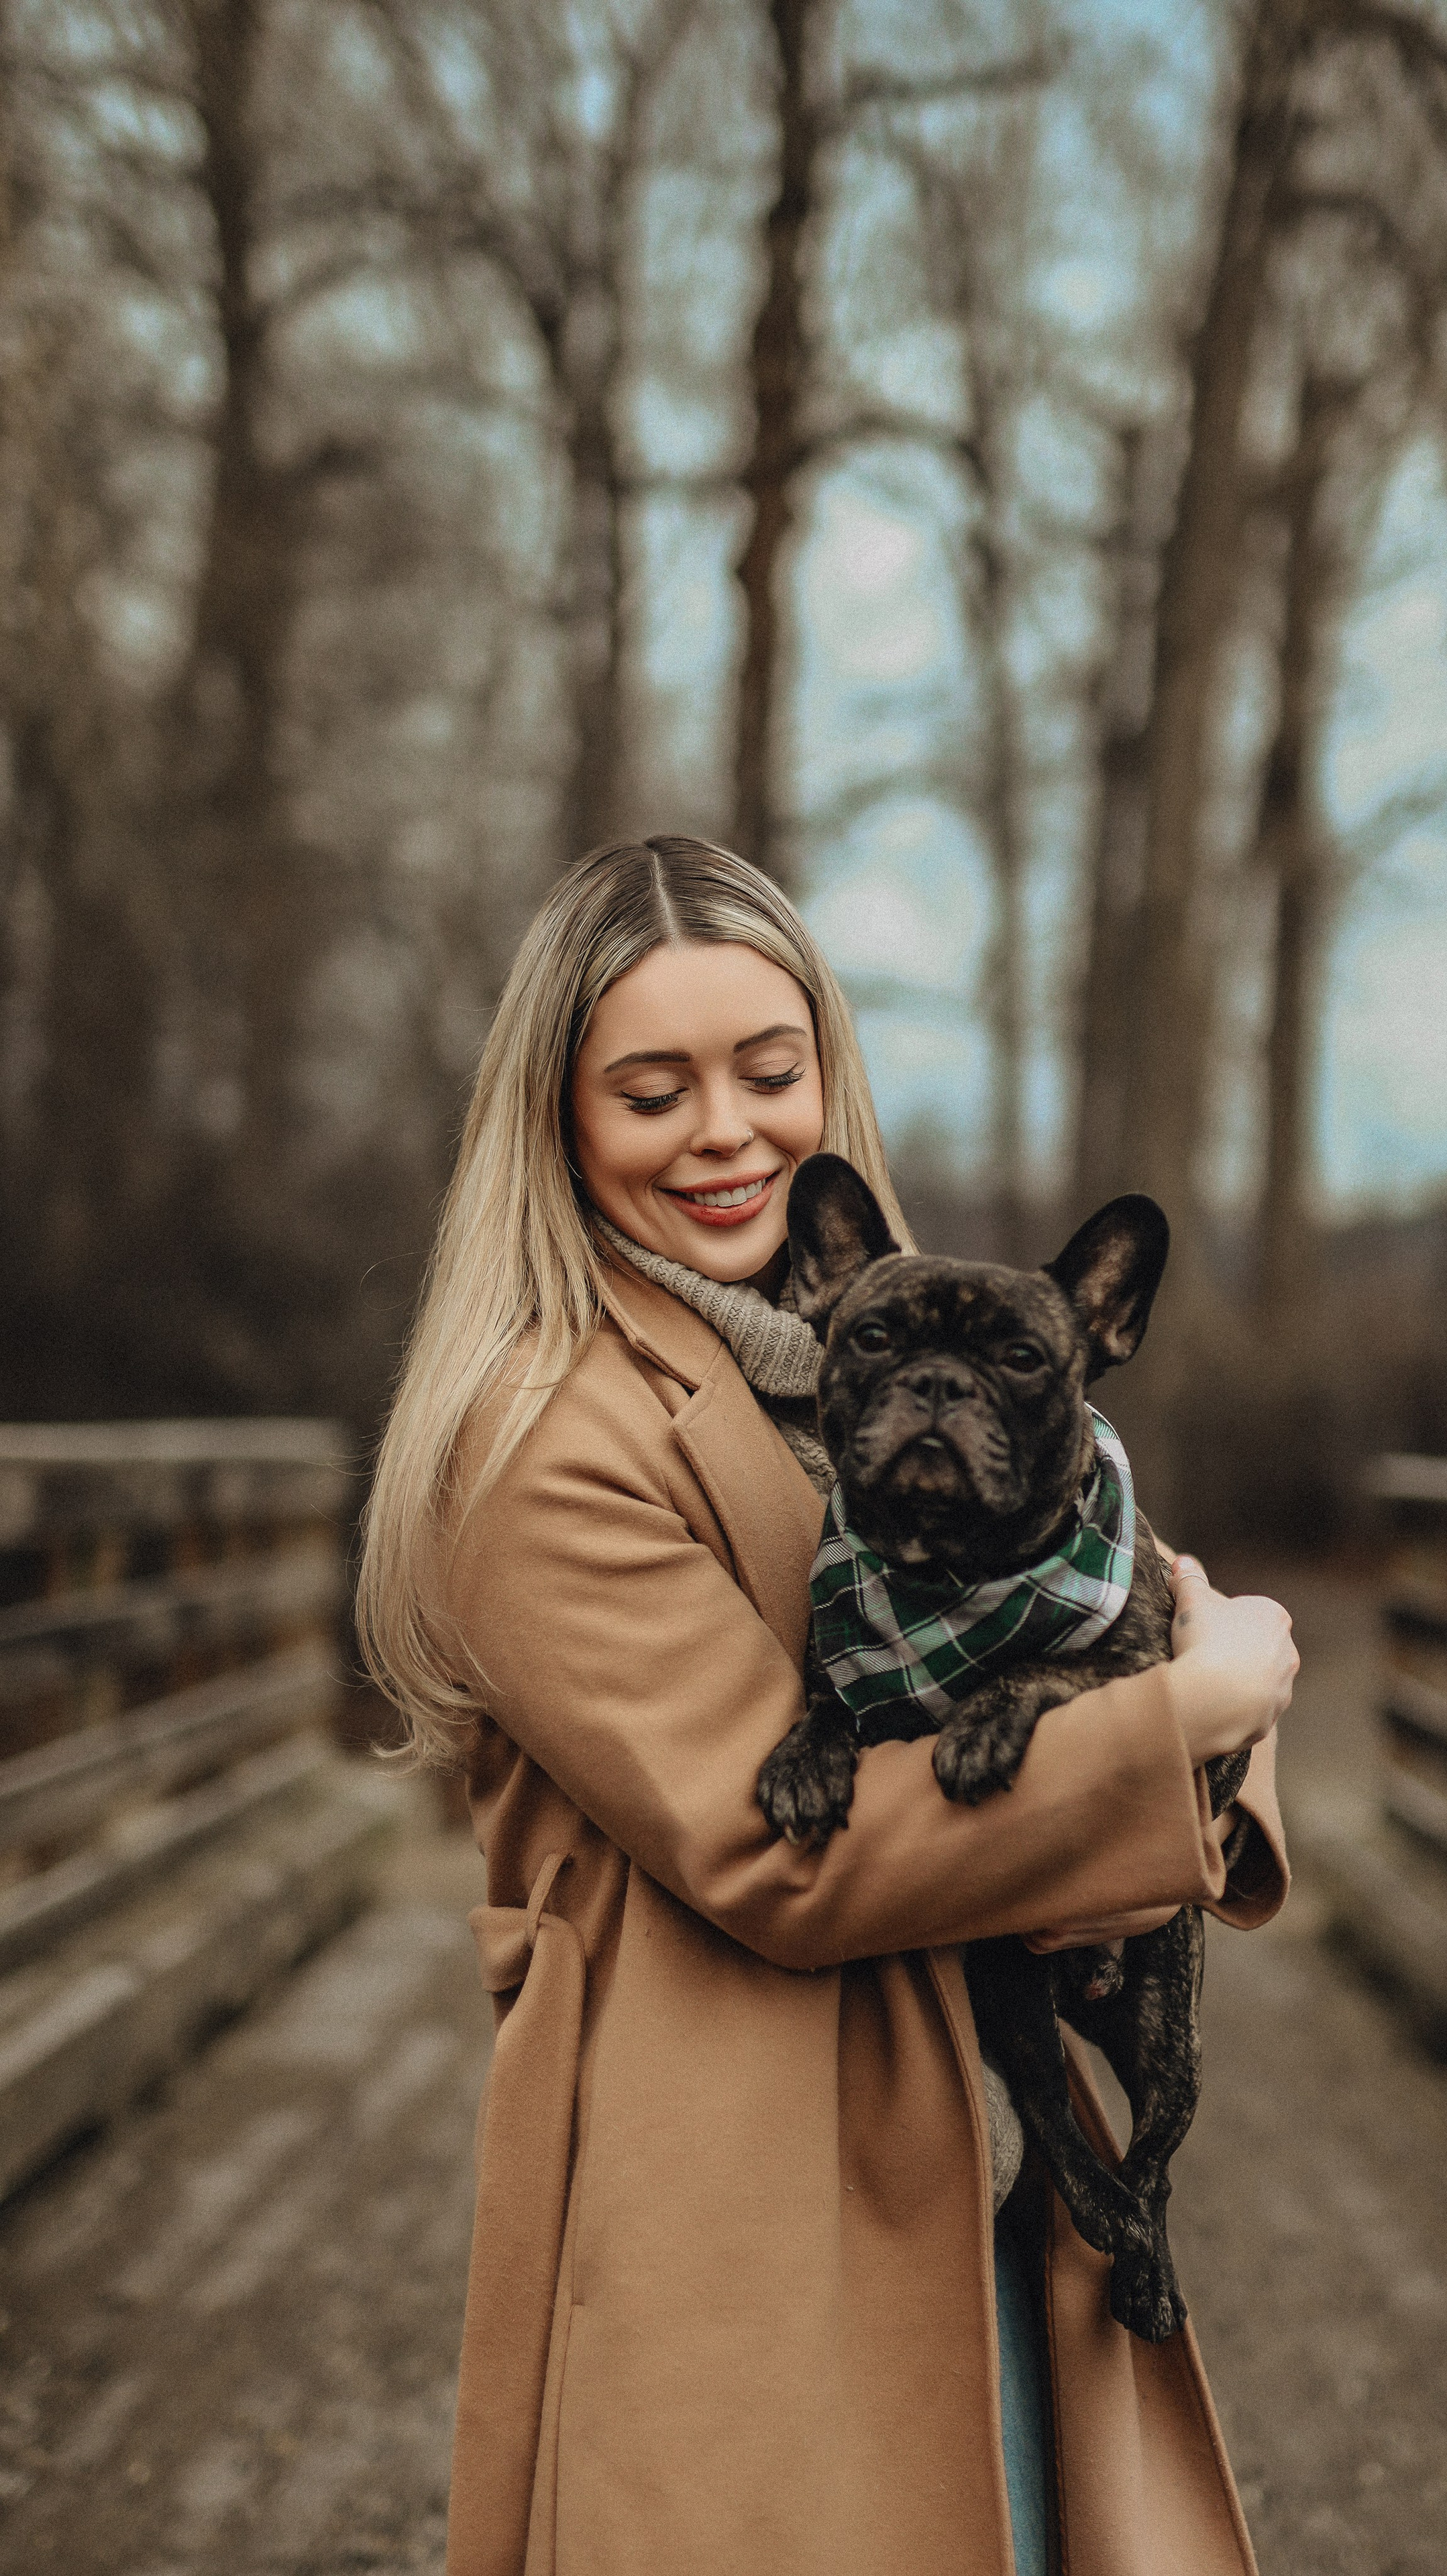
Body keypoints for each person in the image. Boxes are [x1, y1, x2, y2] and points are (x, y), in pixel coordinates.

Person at [358, 835, 1297, 2576]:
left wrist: (1217, 1722)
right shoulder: (547, 1438)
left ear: (826, 1076)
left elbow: (1149, 1611)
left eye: (767, 1071)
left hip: (975, 2123)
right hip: (740, 2174)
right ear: (555, 1121)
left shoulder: (886, 1345)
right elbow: (778, 1854)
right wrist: (1202, 1716)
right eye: (653, 1089)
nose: (726, 1132)